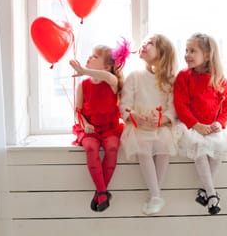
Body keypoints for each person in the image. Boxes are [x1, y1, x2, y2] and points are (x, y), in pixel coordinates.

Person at [173, 33, 227, 215]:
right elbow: (180, 104)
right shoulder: (184, 77)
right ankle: (212, 195)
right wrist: (195, 125)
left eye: (193, 51)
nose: (187, 54)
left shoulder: (218, 78)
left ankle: (204, 191)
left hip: (212, 126)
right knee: (199, 148)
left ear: (207, 55)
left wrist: (220, 123)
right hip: (191, 126)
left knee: (219, 148)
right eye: (186, 50)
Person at [119, 34, 179, 215]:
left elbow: (174, 107)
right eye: (143, 42)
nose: (144, 45)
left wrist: (163, 119)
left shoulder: (171, 80)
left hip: (161, 126)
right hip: (138, 127)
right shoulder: (134, 76)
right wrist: (135, 117)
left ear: (163, 52)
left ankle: (155, 195)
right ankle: (156, 195)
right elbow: (124, 105)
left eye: (150, 43)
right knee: (143, 147)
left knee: (164, 146)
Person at [69, 39, 131, 212]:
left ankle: (100, 193)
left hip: (110, 128)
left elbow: (109, 76)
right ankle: (103, 192)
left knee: (112, 147)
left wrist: (83, 70)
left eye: (95, 56)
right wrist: (86, 124)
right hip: (91, 130)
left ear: (106, 66)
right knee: (90, 147)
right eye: (90, 55)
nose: (89, 57)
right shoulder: (83, 86)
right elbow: (78, 111)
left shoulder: (112, 82)